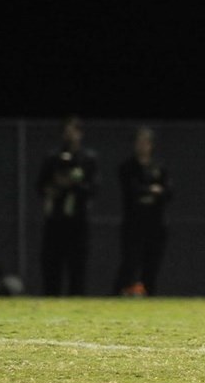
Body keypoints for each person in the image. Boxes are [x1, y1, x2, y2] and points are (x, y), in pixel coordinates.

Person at [36, 115, 99, 296]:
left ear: (80, 133)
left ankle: (76, 308)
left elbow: (93, 188)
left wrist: (73, 184)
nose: (70, 136)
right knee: (51, 267)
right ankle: (49, 306)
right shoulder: (53, 157)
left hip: (78, 221)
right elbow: (40, 186)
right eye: (66, 132)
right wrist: (53, 187)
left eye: (73, 131)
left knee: (77, 270)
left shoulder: (88, 158)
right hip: (55, 219)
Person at [113, 126, 172, 297]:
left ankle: (149, 297)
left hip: (156, 224)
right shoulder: (127, 167)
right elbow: (132, 191)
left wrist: (154, 192)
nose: (141, 146)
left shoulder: (159, 167)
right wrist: (153, 191)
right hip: (134, 224)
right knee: (130, 263)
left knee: (152, 265)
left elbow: (169, 191)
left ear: (151, 145)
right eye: (138, 142)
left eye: (145, 142)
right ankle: (119, 295)